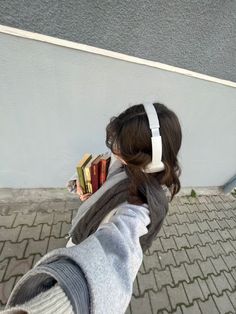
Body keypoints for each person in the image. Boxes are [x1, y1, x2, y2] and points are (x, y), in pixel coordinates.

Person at [1, 102, 182, 314]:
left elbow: (115, 253)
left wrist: (71, 293)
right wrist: (82, 184)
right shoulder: (125, 163)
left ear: (149, 162)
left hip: (87, 246)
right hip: (82, 233)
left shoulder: (143, 207)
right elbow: (104, 176)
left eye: (121, 148)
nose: (114, 151)